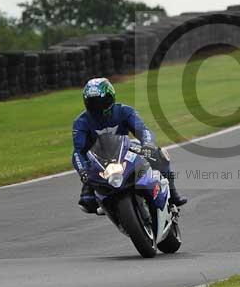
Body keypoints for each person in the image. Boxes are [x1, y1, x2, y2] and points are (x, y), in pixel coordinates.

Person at [72, 77, 187, 215]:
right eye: (93, 103)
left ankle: (173, 195)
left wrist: (148, 144)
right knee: (87, 201)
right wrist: (83, 171)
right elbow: (78, 151)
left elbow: (143, 130)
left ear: (111, 98)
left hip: (126, 149)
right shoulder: (81, 122)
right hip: (99, 159)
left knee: (159, 155)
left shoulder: (124, 111)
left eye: (102, 102)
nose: (98, 107)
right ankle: (103, 202)